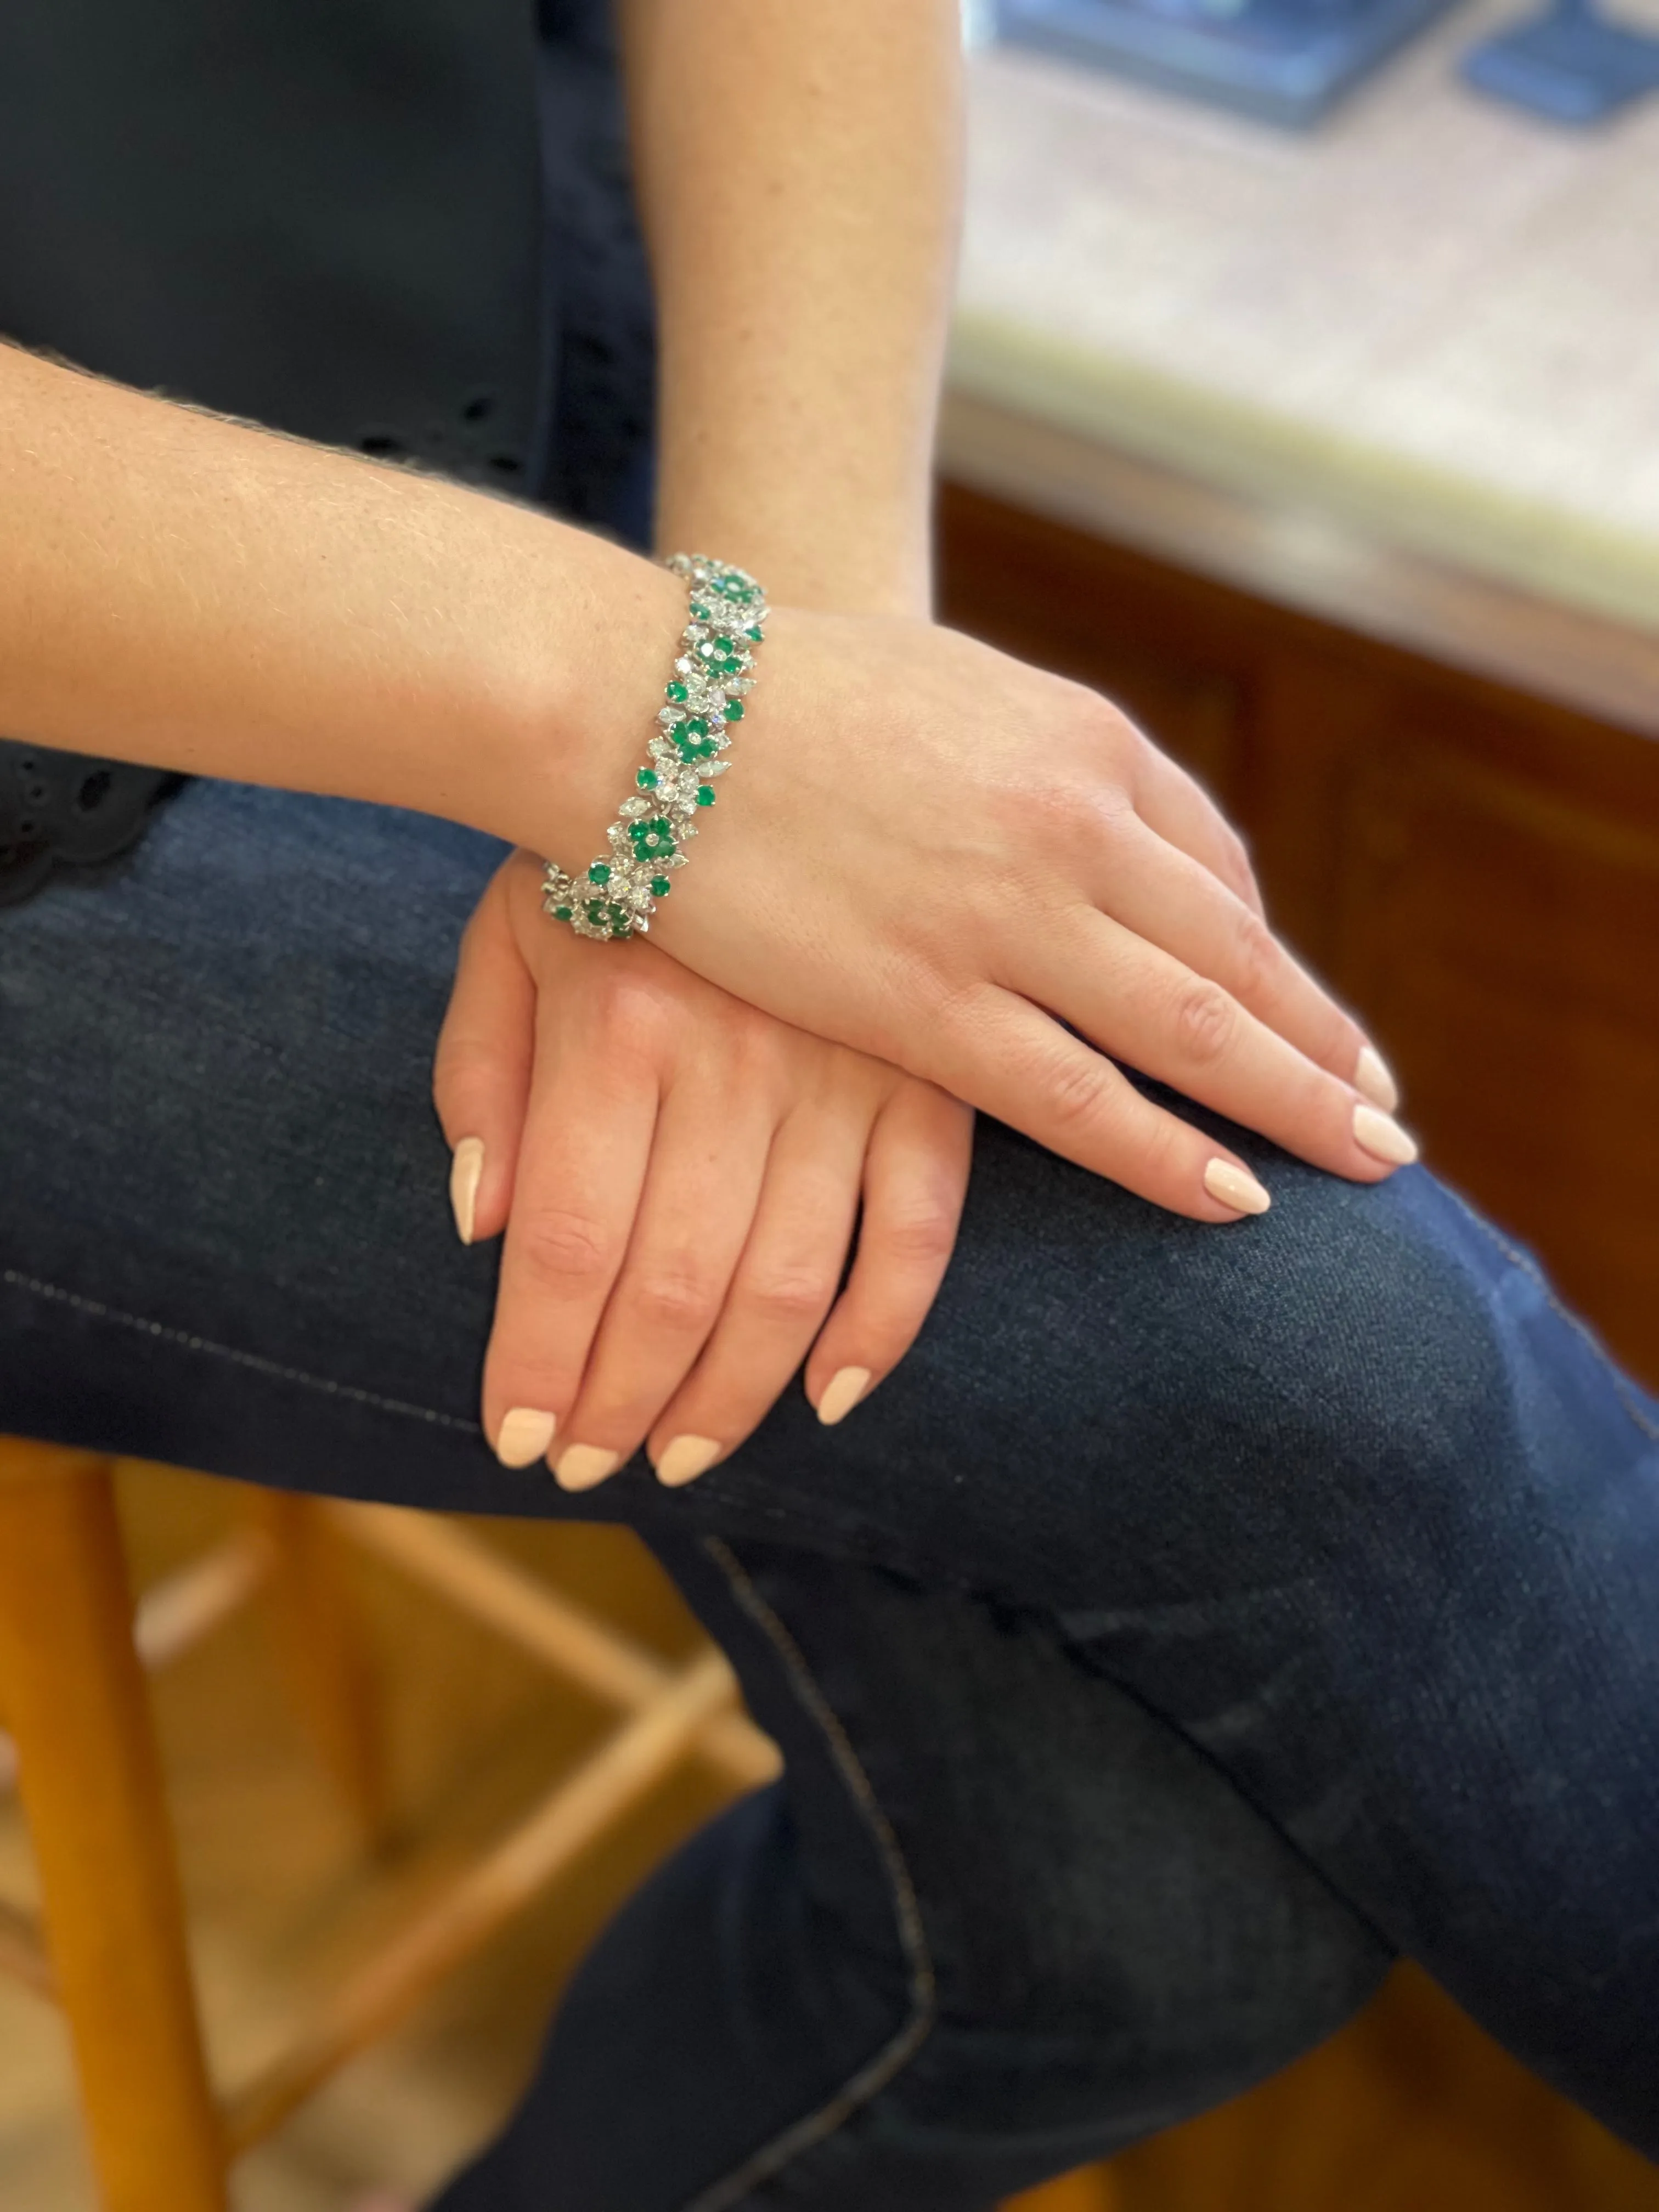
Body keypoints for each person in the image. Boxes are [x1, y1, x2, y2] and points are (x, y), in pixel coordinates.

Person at [0, 2, 1654, 2205]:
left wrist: (784, 679)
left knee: (1136, 1923)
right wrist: (674, 725)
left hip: (472, 315)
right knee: (1302, 1343)